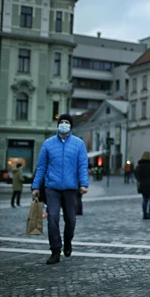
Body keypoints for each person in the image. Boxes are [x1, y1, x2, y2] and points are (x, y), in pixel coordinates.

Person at [32, 114, 89, 265]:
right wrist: (36, 186)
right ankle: (55, 250)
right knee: (52, 218)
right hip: (52, 188)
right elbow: (41, 167)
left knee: (71, 219)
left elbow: (82, 166)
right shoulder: (48, 144)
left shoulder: (79, 144)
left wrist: (84, 184)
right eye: (61, 122)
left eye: (66, 122)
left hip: (71, 188)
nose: (63, 124)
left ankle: (68, 242)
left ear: (70, 126)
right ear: (57, 125)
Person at [135, 152, 150, 220]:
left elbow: (136, 174)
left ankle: (145, 214)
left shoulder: (139, 166)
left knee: (145, 200)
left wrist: (139, 179)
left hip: (143, 185)